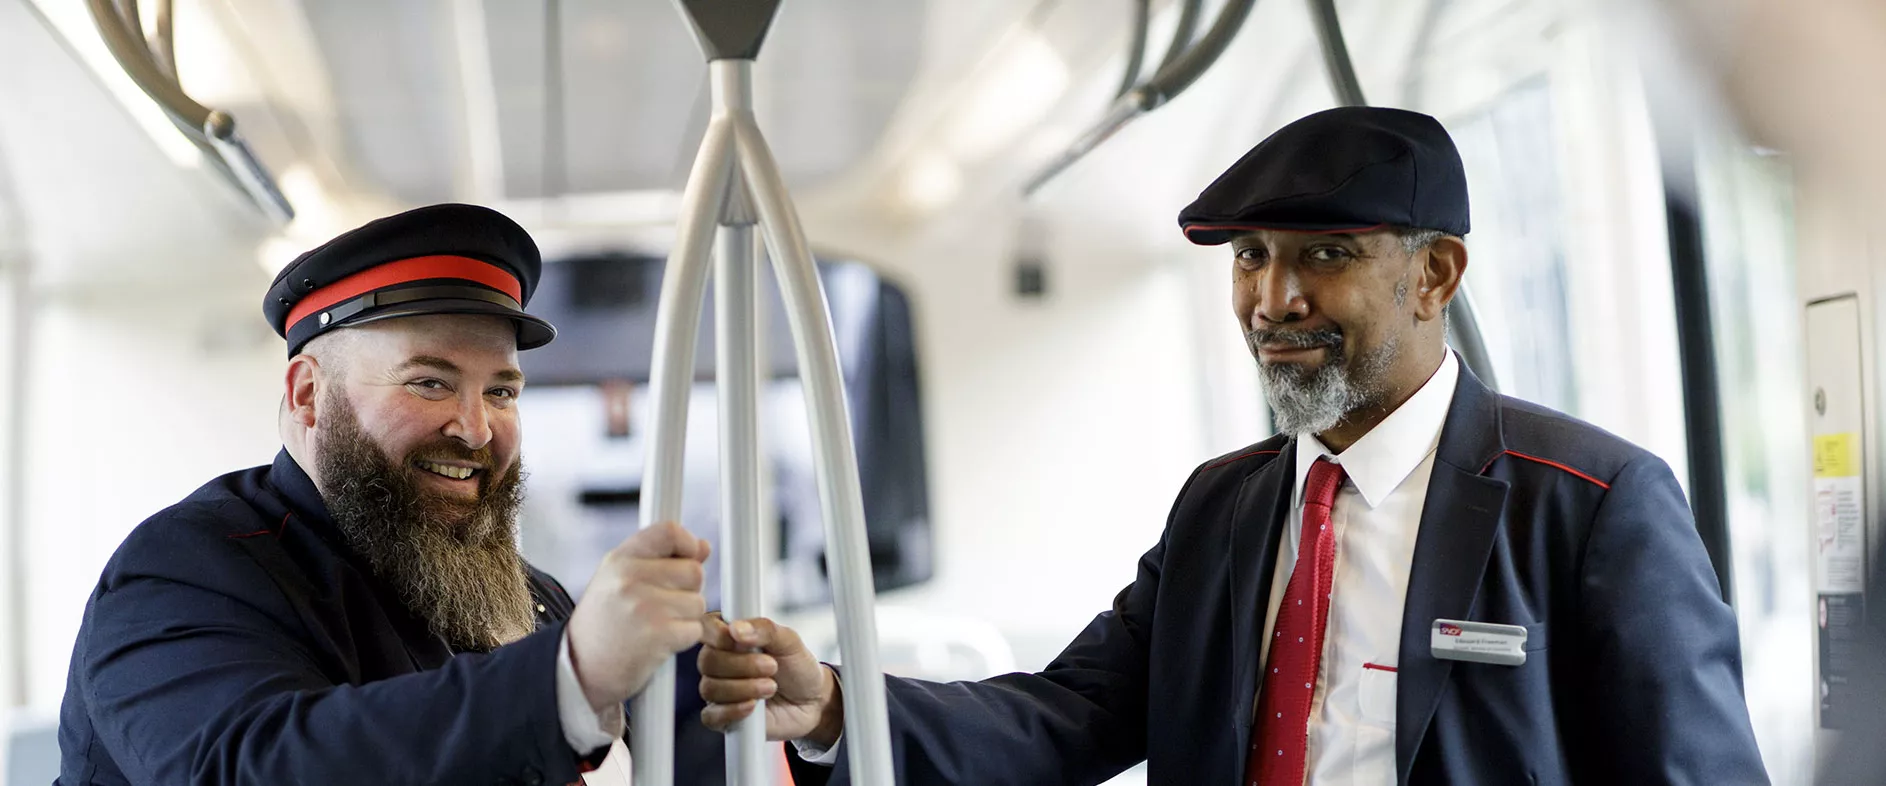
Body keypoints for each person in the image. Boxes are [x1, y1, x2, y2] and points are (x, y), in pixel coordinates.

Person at [697, 107, 1770, 784]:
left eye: (1325, 256)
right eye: (1250, 256)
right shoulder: (1223, 507)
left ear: (1434, 274)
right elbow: (1069, 714)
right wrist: (835, 703)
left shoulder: (1588, 504)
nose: (1273, 299)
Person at [55, 204, 714, 785]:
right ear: (308, 395)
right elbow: (249, 765)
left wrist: (745, 708)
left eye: (500, 391)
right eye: (430, 383)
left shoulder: (528, 593)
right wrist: (569, 676)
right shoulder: (187, 570)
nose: (476, 428)